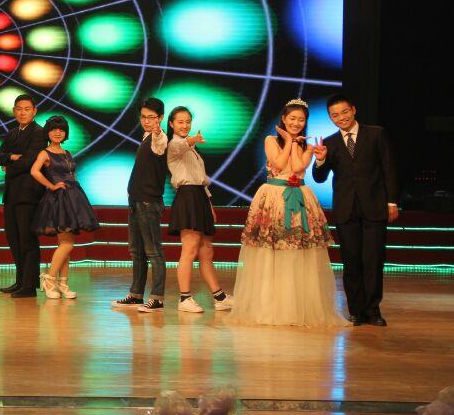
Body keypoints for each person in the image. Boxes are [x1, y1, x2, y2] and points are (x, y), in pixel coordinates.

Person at [228, 99, 348, 327]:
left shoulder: (308, 146)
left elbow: (299, 168)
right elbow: (278, 163)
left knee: (297, 251)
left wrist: (294, 144)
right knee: (271, 252)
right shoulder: (270, 140)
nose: (296, 123)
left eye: (301, 120)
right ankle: (269, 307)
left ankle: (295, 307)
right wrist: (289, 142)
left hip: (299, 198)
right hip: (273, 197)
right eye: (292, 118)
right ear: (283, 119)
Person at [312, 94, 398, 327]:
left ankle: (373, 311)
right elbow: (319, 178)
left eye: (344, 112)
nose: (341, 118)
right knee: (351, 262)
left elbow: (389, 168)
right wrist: (320, 161)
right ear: (331, 118)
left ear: (353, 110)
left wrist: (392, 202)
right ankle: (356, 311)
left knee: (373, 261)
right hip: (346, 210)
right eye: (335, 115)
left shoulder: (376, 134)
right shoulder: (329, 143)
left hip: (374, 207)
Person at [165, 106, 233, 313]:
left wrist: (209, 204)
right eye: (180, 122)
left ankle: (219, 297)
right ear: (171, 124)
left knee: (206, 250)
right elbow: (180, 147)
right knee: (190, 248)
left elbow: (201, 180)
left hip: (200, 197)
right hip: (187, 197)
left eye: (188, 121)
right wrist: (192, 139)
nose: (185, 125)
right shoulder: (173, 144)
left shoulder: (192, 149)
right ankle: (184, 298)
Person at [29, 116, 99, 299]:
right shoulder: (44, 153)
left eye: (61, 130)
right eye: (53, 129)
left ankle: (63, 284)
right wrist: (51, 186)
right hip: (58, 199)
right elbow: (34, 171)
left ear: (65, 133)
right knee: (67, 244)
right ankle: (49, 279)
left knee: (65, 245)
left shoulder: (67, 152)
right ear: (48, 132)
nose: (57, 133)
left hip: (74, 197)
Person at [112, 97, 169, 312]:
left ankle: (157, 298)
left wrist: (157, 132)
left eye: (151, 117)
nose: (146, 121)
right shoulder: (145, 136)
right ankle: (136, 294)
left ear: (160, 118)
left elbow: (159, 142)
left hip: (149, 202)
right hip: (136, 201)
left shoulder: (159, 138)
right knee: (136, 251)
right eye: (143, 117)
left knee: (153, 251)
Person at [0, 94, 47, 298]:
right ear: (14, 111)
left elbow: (29, 162)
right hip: (11, 194)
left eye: (27, 109)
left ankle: (29, 285)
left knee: (27, 240)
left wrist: (9, 165)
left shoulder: (39, 133)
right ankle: (20, 280)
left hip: (28, 194)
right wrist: (11, 157)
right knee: (14, 238)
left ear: (34, 111)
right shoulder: (13, 133)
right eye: (19, 109)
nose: (22, 113)